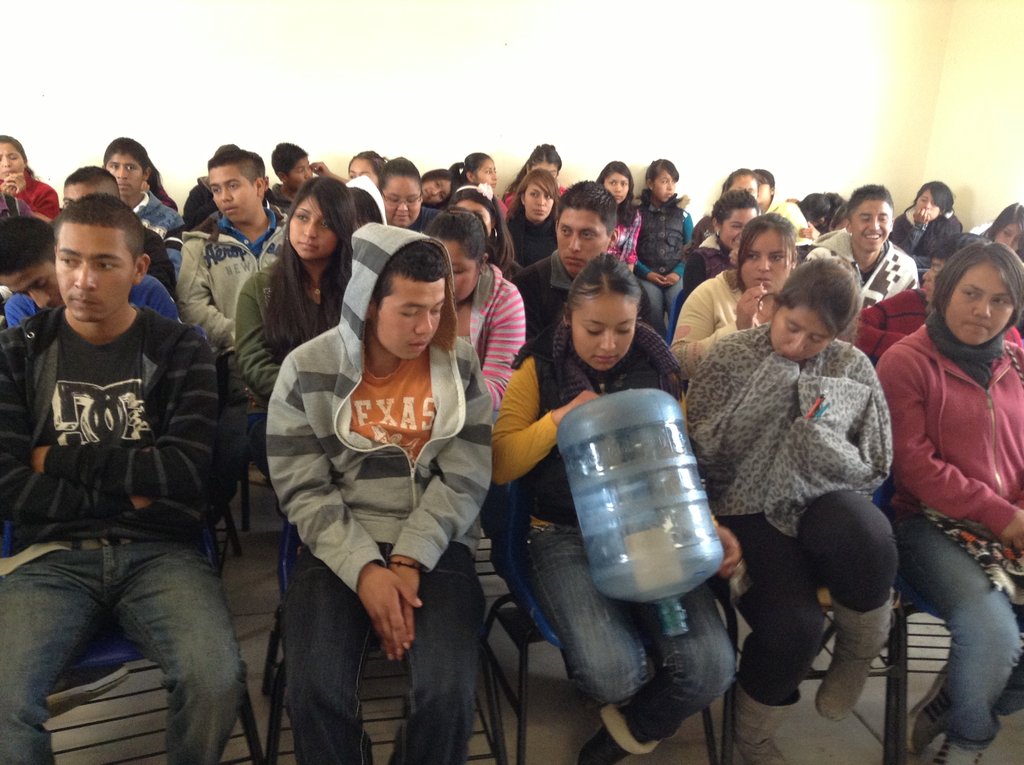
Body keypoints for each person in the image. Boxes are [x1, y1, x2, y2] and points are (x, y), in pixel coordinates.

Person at [0, 193, 244, 764]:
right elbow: (7, 486)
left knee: (214, 680)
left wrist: (52, 458)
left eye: (104, 263)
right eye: (69, 261)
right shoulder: (16, 353)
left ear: (138, 269)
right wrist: (133, 494)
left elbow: (183, 473)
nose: (81, 280)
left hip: (161, 554)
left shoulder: (180, 349)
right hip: (50, 558)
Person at [492, 254, 736, 764]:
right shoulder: (538, 367)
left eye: (623, 330)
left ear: (638, 322)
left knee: (711, 667)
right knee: (613, 673)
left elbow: (679, 462)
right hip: (564, 535)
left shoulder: (658, 370)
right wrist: (559, 420)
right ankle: (636, 685)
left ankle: (626, 732)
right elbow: (501, 463)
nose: (608, 344)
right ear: (569, 319)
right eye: (594, 329)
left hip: (651, 527)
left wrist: (709, 525)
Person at [267, 223, 492, 764]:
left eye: (436, 308)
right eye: (409, 310)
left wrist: (410, 557)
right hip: (340, 541)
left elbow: (466, 475)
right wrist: (366, 569)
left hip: (438, 542)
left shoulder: (459, 363)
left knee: (447, 694)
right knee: (315, 691)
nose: (426, 327)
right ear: (368, 303)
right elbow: (304, 490)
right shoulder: (307, 369)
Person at [687, 258, 896, 764]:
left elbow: (876, 463)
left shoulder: (852, 366)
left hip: (825, 503)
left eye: (816, 338)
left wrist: (819, 447)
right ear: (774, 306)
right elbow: (703, 450)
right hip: (746, 508)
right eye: (792, 327)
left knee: (868, 533)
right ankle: (754, 735)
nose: (799, 344)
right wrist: (772, 383)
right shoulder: (732, 354)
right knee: (795, 628)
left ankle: (856, 652)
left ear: (838, 336)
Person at [877, 241, 1024, 765]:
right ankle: (967, 741)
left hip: (1010, 522)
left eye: (1000, 301)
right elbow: (916, 467)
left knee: (996, 654)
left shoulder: (1016, 360)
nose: (984, 311)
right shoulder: (906, 361)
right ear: (944, 292)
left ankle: (961, 699)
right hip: (928, 524)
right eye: (972, 294)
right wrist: (1003, 515)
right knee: (992, 634)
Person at [177, 147, 287, 506]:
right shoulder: (200, 244)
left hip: (293, 354)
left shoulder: (294, 235)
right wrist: (247, 338)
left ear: (260, 185)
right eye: (216, 189)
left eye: (233, 185)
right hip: (234, 361)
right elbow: (192, 308)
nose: (223, 197)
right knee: (227, 455)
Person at [235, 177, 356, 477]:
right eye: (302, 217)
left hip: (346, 408)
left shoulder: (357, 289)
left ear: (342, 231)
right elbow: (253, 363)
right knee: (304, 468)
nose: (310, 232)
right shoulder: (260, 288)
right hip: (275, 409)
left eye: (325, 223)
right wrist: (313, 399)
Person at [856, 234, 1021, 364]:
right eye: (971, 293)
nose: (926, 276)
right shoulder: (911, 302)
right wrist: (915, 348)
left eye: (999, 301)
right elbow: (855, 327)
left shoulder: (1011, 349)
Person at [672, 213, 795, 379]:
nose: (764, 266)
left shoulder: (805, 302)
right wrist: (737, 328)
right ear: (738, 258)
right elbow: (677, 364)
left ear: (793, 261)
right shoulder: (712, 292)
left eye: (777, 257)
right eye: (752, 256)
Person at [0, 214, 178, 328]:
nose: (41, 302)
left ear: (63, 259)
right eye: (23, 293)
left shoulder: (145, 290)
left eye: (41, 283)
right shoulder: (19, 309)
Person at [426, 209, 525, 409]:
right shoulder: (415, 289)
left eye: (456, 271)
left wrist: (432, 400)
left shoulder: (504, 299)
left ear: (481, 264)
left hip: (472, 411)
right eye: (436, 266)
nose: (444, 279)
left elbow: (499, 386)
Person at [512, 181, 629, 339]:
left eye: (587, 234)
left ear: (612, 239)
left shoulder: (628, 291)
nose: (574, 246)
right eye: (566, 231)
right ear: (556, 228)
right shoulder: (525, 285)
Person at [63, 165, 177, 292]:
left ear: (113, 204)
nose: (73, 213)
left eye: (103, 265)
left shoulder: (145, 241)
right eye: (68, 204)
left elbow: (158, 292)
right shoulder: (57, 235)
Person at [805, 184, 918, 307]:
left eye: (882, 219)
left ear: (891, 225)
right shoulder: (819, 260)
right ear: (849, 224)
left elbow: (909, 315)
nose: (874, 227)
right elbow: (802, 309)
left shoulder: (905, 269)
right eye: (865, 219)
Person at [634, 159, 693, 335]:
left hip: (676, 274)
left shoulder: (683, 215)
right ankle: (658, 345)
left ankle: (676, 344)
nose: (670, 187)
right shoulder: (637, 214)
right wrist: (646, 273)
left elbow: (691, 249)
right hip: (647, 275)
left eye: (673, 182)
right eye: (664, 181)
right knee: (651, 306)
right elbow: (630, 251)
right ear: (650, 183)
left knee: (679, 302)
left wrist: (678, 272)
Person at [680, 189, 760, 306]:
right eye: (736, 226)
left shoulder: (763, 258)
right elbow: (695, 307)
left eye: (751, 226)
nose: (744, 234)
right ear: (717, 224)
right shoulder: (700, 260)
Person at [890, 181, 963, 275]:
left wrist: (909, 261)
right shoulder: (902, 220)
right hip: (901, 268)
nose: (927, 206)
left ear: (942, 209)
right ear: (917, 201)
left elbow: (942, 261)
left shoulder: (951, 225)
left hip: (932, 272)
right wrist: (919, 227)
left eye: (934, 203)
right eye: (923, 200)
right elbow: (898, 254)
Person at [449, 184, 517, 276]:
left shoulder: (513, 272)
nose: (470, 222)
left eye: (478, 216)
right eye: (461, 216)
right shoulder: (439, 259)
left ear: (493, 221)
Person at [688, 168, 760, 251]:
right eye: (736, 226)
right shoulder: (706, 224)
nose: (744, 195)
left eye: (750, 192)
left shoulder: (765, 226)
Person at [505, 168, 559, 268]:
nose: (541, 203)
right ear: (523, 198)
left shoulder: (560, 232)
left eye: (548, 196)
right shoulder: (507, 230)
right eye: (534, 194)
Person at [0, 135, 60, 221]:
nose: (6, 164)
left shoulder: (45, 192)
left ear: (24, 161)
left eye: (13, 158)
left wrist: (15, 201)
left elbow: (53, 226)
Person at [598, 161, 641, 269]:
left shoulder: (634, 215)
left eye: (623, 184)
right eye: (613, 183)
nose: (618, 189)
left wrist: (627, 278)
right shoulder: (591, 210)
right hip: (593, 266)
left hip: (618, 270)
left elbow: (629, 254)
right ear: (603, 184)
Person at [379, 157, 440, 231]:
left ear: (421, 198)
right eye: (394, 200)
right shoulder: (368, 222)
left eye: (411, 200)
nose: (403, 208)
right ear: (379, 195)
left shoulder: (435, 221)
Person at [502, 143, 564, 209]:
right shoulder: (513, 201)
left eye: (551, 174)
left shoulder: (565, 197)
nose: (544, 180)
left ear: (557, 174)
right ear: (528, 170)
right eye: (539, 173)